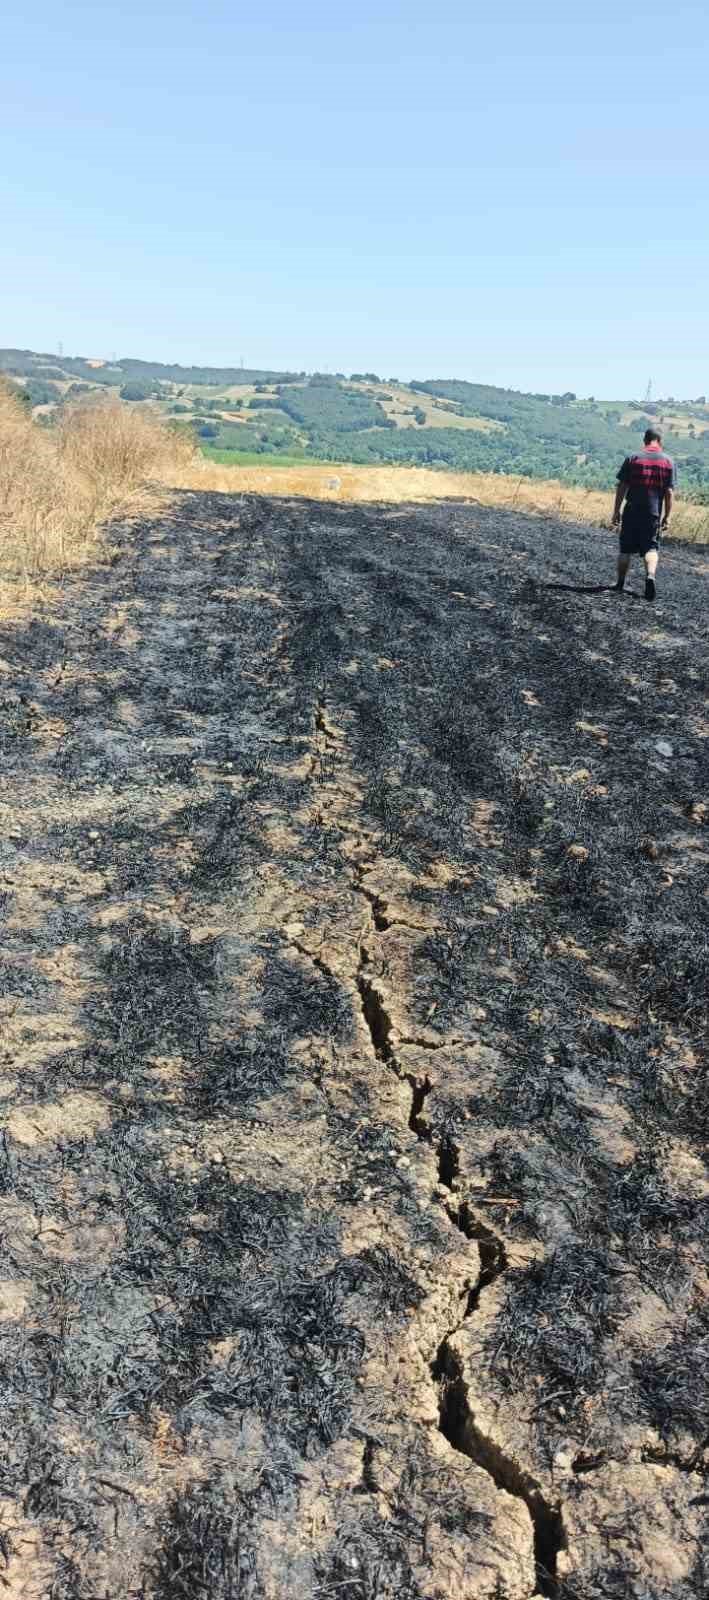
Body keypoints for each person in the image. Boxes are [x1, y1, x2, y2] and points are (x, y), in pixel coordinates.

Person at [611, 428, 676, 601]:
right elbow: (669, 493)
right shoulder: (668, 462)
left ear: (645, 440)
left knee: (625, 549)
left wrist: (616, 511)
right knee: (651, 547)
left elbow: (622, 487)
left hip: (632, 509)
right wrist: (667, 516)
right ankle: (650, 577)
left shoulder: (633, 458)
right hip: (653, 512)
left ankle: (620, 583)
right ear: (659, 441)